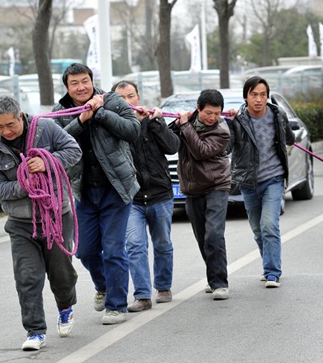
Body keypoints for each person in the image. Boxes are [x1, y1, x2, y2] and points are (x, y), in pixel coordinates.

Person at [0, 95, 82, 350]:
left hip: (56, 215)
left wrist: (48, 161)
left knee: (61, 274)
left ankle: (66, 306)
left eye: (10, 124)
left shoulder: (45, 128)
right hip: (20, 223)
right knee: (27, 277)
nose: (6, 131)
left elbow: (74, 151)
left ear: (20, 116)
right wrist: (23, 183)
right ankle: (35, 331)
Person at [52, 63, 141, 325]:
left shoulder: (112, 100)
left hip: (116, 189)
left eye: (85, 81)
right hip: (83, 191)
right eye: (74, 83)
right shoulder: (61, 111)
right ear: (67, 87)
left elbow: (133, 130)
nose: (81, 87)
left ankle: (116, 305)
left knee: (114, 249)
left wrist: (100, 112)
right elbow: (55, 141)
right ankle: (103, 285)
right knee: (85, 251)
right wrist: (82, 120)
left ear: (92, 81)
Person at [111, 80, 180, 312]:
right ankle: (142, 295)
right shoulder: (114, 128)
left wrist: (159, 122)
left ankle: (163, 286)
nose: (128, 102)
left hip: (160, 194)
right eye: (121, 99)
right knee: (134, 245)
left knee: (163, 243)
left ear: (138, 98)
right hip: (132, 198)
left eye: (131, 96)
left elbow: (173, 147)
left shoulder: (154, 120)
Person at [226, 76, 294, 288]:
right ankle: (268, 265)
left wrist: (284, 136)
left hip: (273, 178)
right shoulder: (238, 120)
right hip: (248, 182)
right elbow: (227, 148)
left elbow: (290, 139)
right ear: (246, 96)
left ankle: (273, 272)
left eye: (262, 95)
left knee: (269, 225)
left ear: (267, 96)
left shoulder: (278, 115)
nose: (258, 99)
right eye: (254, 95)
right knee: (257, 229)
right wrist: (228, 124)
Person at [172, 89, 231, 300]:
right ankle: (213, 276)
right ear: (198, 109)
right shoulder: (188, 122)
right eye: (208, 113)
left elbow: (201, 151)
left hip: (216, 186)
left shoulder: (222, 130)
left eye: (217, 113)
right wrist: (174, 121)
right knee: (202, 238)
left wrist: (185, 124)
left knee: (214, 235)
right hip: (192, 188)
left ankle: (220, 283)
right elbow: (170, 141)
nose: (212, 117)